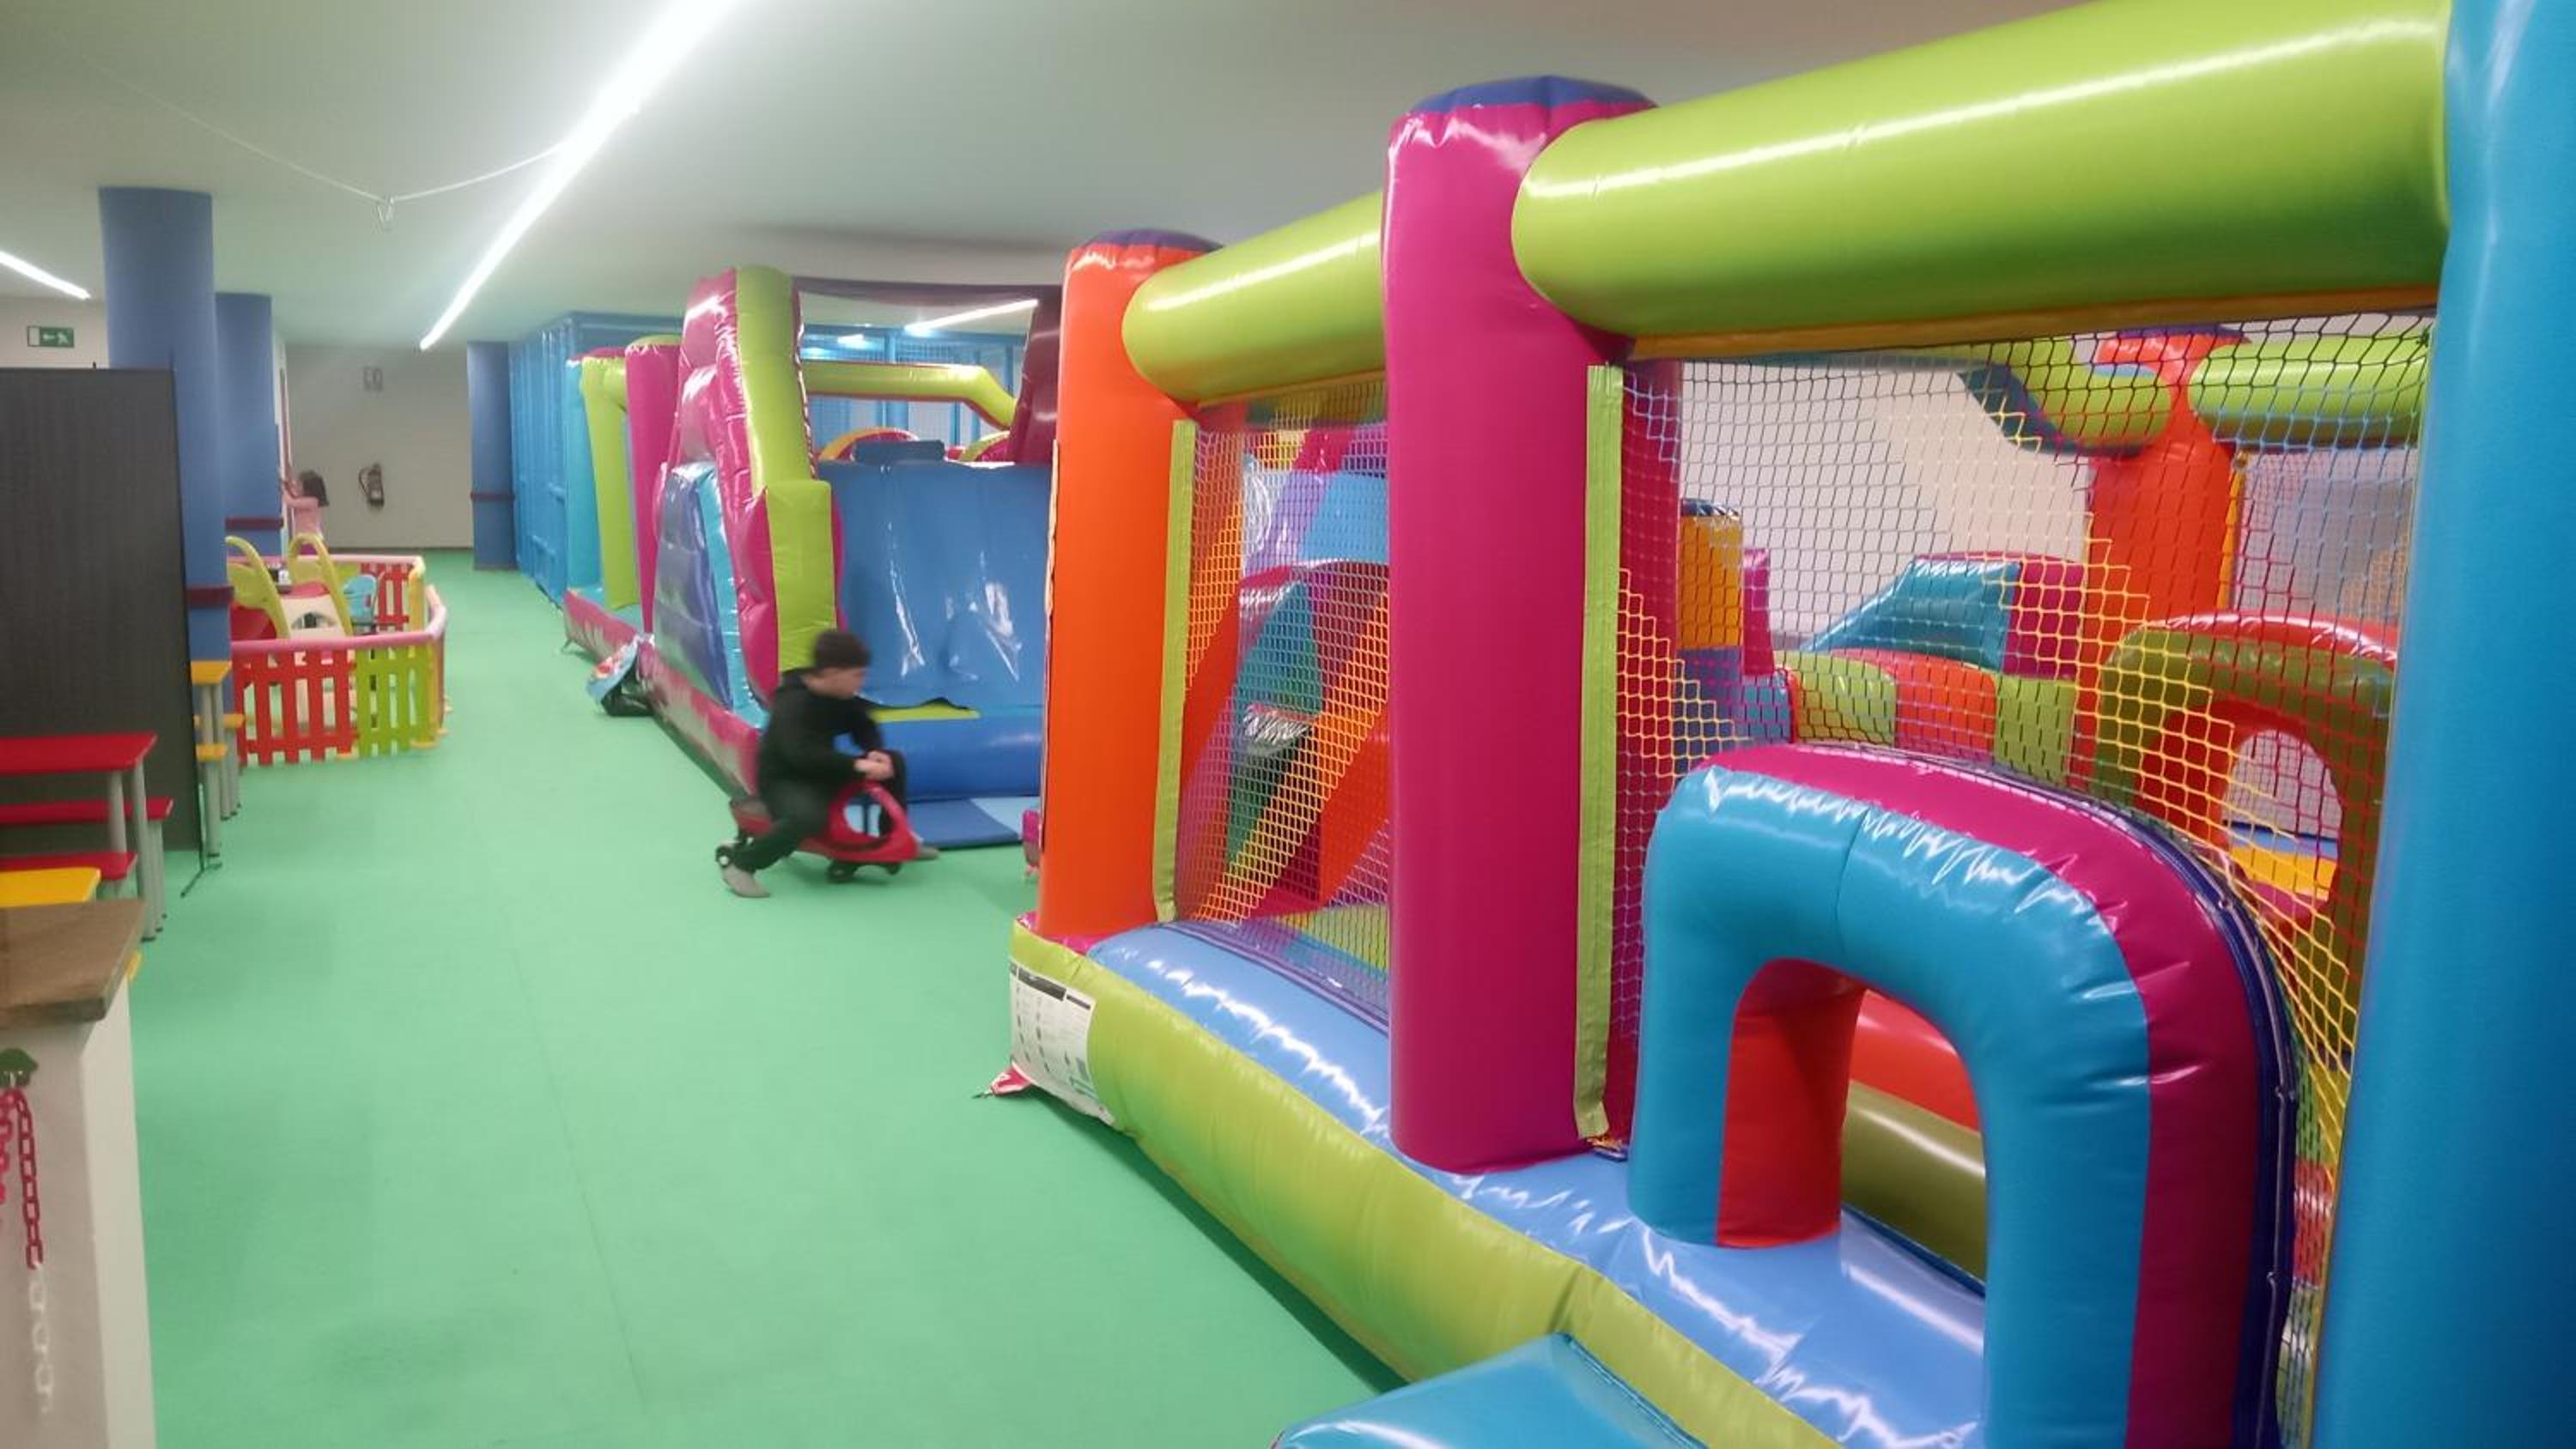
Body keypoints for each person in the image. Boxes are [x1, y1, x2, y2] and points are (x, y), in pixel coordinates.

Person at [718, 629, 933, 897]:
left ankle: (894, 841)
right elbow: (801, 756)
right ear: (833, 673)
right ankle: (742, 865)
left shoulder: (840, 694)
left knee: (894, 763)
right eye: (857, 675)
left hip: (822, 771)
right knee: (809, 818)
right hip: (785, 780)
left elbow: (863, 724)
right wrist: (858, 767)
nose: (861, 681)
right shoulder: (792, 703)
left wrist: (874, 751)